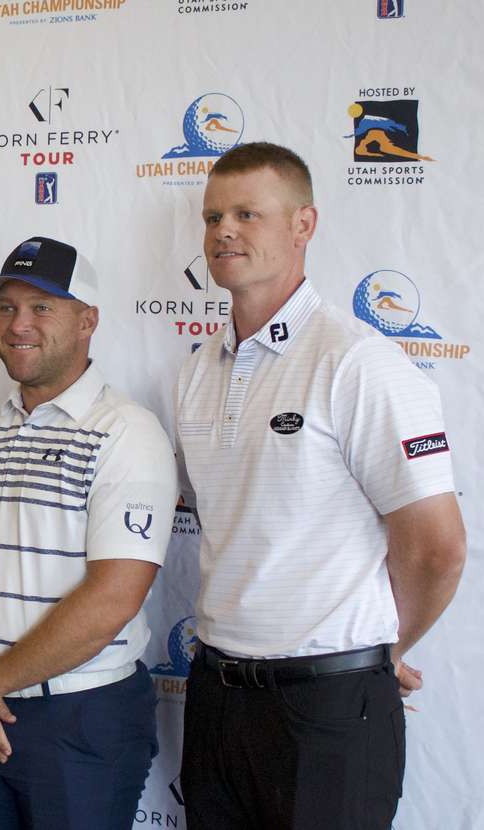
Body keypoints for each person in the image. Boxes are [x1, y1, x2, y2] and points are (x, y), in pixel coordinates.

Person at [174, 142, 466, 828]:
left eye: (248, 213)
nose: (224, 231)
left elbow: (437, 548)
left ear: (304, 225)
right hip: (216, 697)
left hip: (329, 708)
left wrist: (379, 655)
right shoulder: (194, 372)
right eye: (213, 215)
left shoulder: (358, 362)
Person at [0, 237, 177, 829]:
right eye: (7, 308)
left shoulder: (127, 433)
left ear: (87, 321)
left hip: (80, 716)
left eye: (42, 308)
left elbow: (114, 595)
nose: (18, 325)